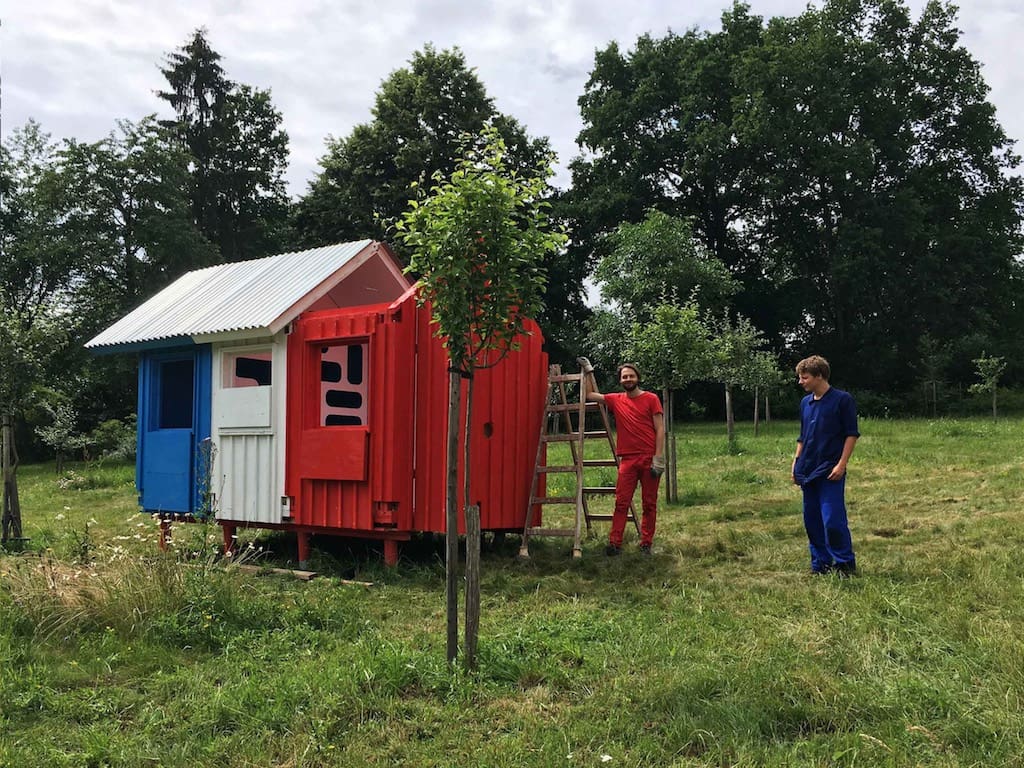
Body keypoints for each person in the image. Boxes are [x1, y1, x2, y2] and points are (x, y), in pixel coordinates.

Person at [578, 358, 666, 555]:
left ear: (638, 378)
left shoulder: (651, 399)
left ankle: (646, 543)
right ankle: (615, 543)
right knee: (621, 502)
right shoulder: (616, 399)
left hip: (649, 458)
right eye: (624, 377)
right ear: (620, 380)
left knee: (649, 503)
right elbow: (591, 394)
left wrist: (658, 457)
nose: (628, 379)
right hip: (627, 460)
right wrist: (589, 371)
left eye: (631, 376)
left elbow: (660, 429)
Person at [791, 355, 860, 576]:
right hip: (807, 470)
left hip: (830, 470)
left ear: (819, 376)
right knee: (812, 520)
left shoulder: (842, 400)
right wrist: (795, 463)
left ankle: (844, 564)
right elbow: (803, 437)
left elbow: (851, 434)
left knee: (832, 519)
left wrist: (842, 464)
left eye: (804, 377)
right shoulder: (805, 403)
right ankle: (820, 564)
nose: (801, 382)